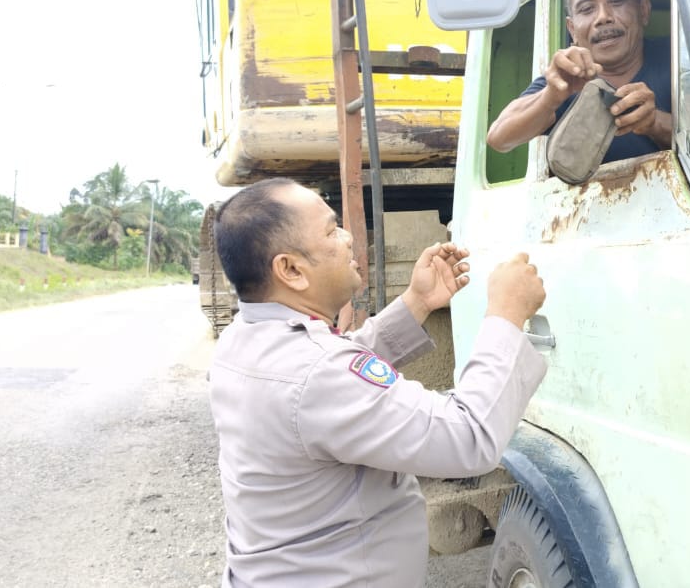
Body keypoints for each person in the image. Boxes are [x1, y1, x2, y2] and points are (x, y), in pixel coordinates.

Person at [207, 177, 548, 588]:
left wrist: (417, 302)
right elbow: (469, 438)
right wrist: (506, 316)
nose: (349, 238)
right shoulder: (314, 376)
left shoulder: (245, 339)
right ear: (291, 269)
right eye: (332, 231)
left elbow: (334, 374)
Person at [486, 0, 673, 163]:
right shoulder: (568, 79)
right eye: (587, 9)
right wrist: (551, 96)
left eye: (617, 1)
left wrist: (655, 122)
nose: (603, 17)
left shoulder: (679, 58)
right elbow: (498, 138)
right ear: (572, 30)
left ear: (644, 10)